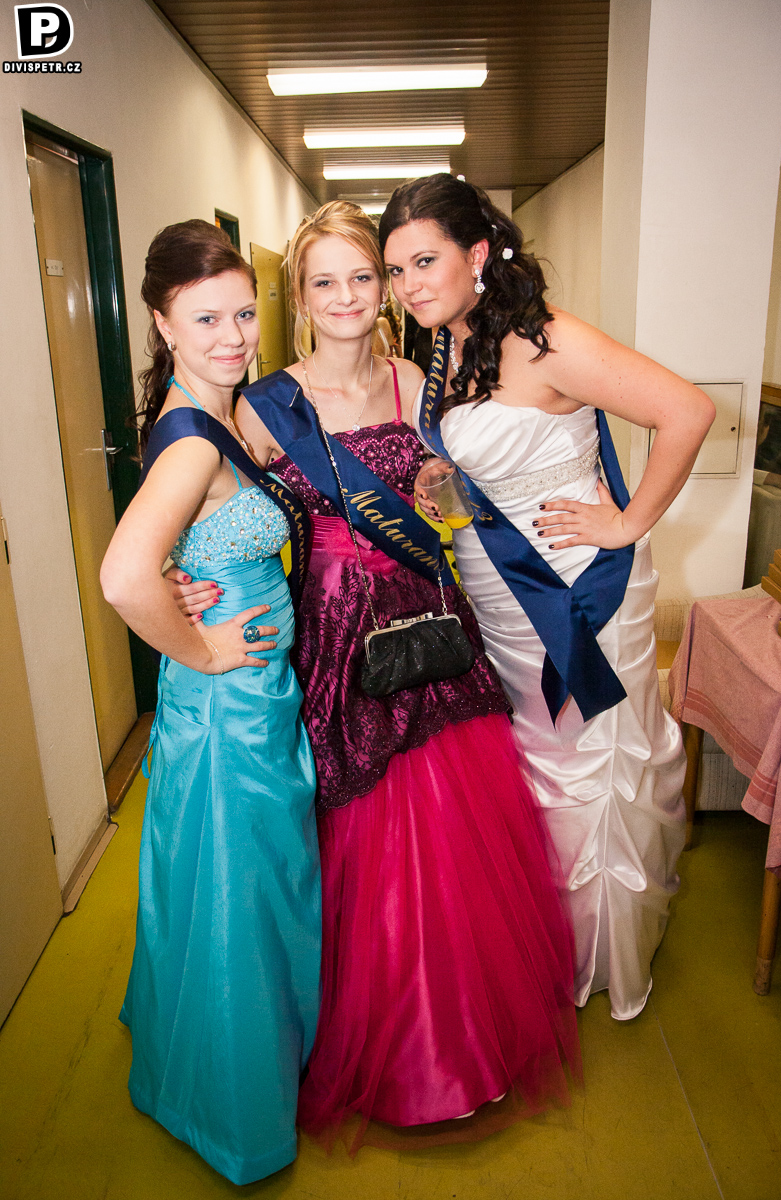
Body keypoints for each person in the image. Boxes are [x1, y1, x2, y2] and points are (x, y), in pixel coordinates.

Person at [169, 201, 579, 1140]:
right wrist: (181, 578)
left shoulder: (422, 384)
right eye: (325, 281)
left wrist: (444, 495)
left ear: (386, 288)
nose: (347, 296)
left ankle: (464, 1041)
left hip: (428, 626)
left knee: (456, 838)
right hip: (332, 642)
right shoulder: (262, 404)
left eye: (364, 276)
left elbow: (451, 498)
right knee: (364, 847)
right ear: (300, 294)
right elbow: (204, 504)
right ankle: (382, 1049)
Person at [380, 174, 716, 1022]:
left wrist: (627, 522)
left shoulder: (546, 337)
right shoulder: (450, 344)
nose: (408, 285)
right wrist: (445, 475)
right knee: (536, 765)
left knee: (588, 765)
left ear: (477, 254)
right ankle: (544, 935)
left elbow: (687, 410)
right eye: (395, 270)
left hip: (577, 589)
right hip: (498, 594)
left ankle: (597, 959)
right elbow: (499, 449)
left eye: (425, 261)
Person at [100, 220, 321, 1185]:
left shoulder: (203, 410)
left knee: (217, 881)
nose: (233, 335)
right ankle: (237, 1113)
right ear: (162, 322)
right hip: (232, 702)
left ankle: (203, 1052)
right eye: (205, 319)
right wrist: (204, 646)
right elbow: (122, 577)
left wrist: (187, 581)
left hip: (238, 697)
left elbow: (168, 547)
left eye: (242, 312)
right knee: (240, 892)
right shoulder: (192, 441)